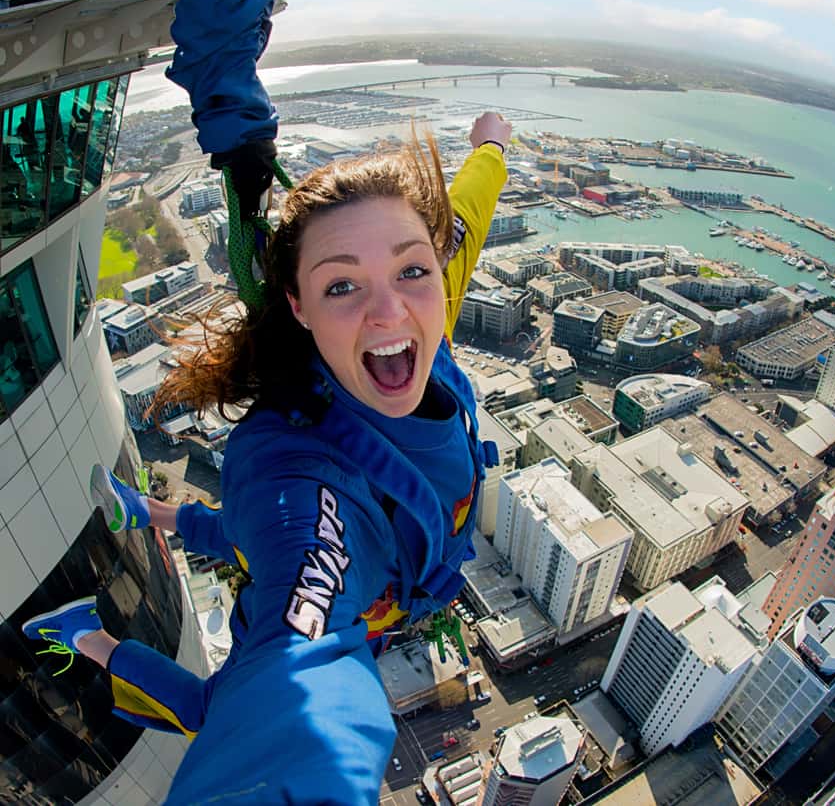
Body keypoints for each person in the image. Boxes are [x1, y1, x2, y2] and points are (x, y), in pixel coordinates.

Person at [22, 111, 511, 804]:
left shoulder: (426, 306)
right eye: (341, 285)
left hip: (369, 573)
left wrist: (490, 143)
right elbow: (299, 667)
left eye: (411, 269)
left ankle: (142, 515)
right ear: (299, 305)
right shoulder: (298, 472)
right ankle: (86, 634)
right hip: (326, 590)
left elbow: (468, 209)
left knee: (237, 574)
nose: (389, 311)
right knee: (211, 707)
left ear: (435, 265)